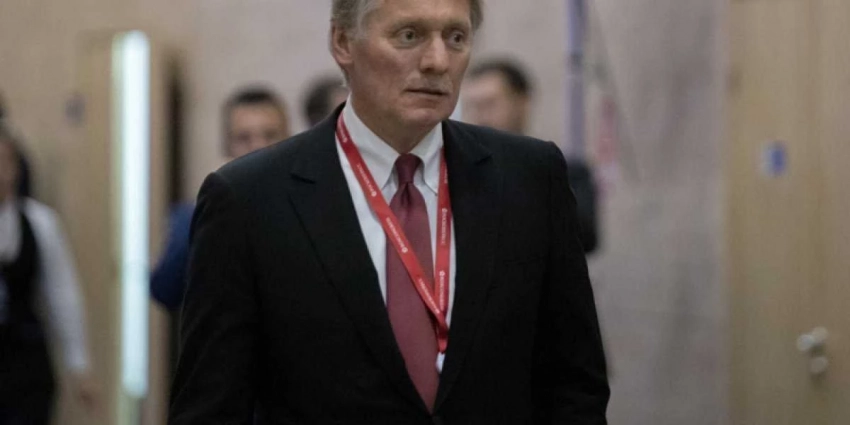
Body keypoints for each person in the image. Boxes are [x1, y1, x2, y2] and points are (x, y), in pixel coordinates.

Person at [169, 0, 609, 423]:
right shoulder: (250, 199)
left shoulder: (529, 179)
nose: (437, 61)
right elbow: (210, 407)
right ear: (343, 42)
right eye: (409, 35)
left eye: (456, 37)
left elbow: (574, 384)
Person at [150, 86, 290, 311]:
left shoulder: (309, 210)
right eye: (244, 138)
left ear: (290, 140)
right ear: (227, 146)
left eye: (270, 135)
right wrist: (209, 211)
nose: (258, 146)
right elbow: (165, 291)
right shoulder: (193, 215)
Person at [0, 126, 99, 424]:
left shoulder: (40, 222)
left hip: (25, 363)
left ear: (15, 168)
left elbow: (62, 294)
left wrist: (79, 364)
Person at [463, 59, 599, 253]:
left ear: (522, 102)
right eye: (473, 107)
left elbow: (584, 236)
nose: (481, 117)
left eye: (490, 104)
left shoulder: (565, 170)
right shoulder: (459, 173)